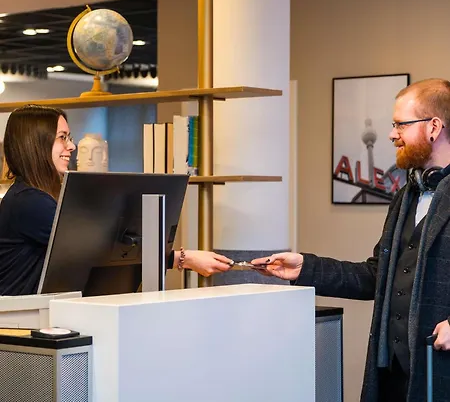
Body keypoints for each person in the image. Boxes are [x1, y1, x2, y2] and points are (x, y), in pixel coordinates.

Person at [253, 78, 450, 402]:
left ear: (433, 127)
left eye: (400, 124)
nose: (392, 134)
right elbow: (377, 276)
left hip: (439, 373)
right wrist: (305, 268)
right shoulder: (404, 198)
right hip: (395, 375)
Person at [0, 104, 232, 296]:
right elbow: (103, 246)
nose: (71, 146)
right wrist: (185, 258)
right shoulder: (29, 202)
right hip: (19, 324)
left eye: (69, 137)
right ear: (35, 144)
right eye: (62, 138)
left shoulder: (36, 197)